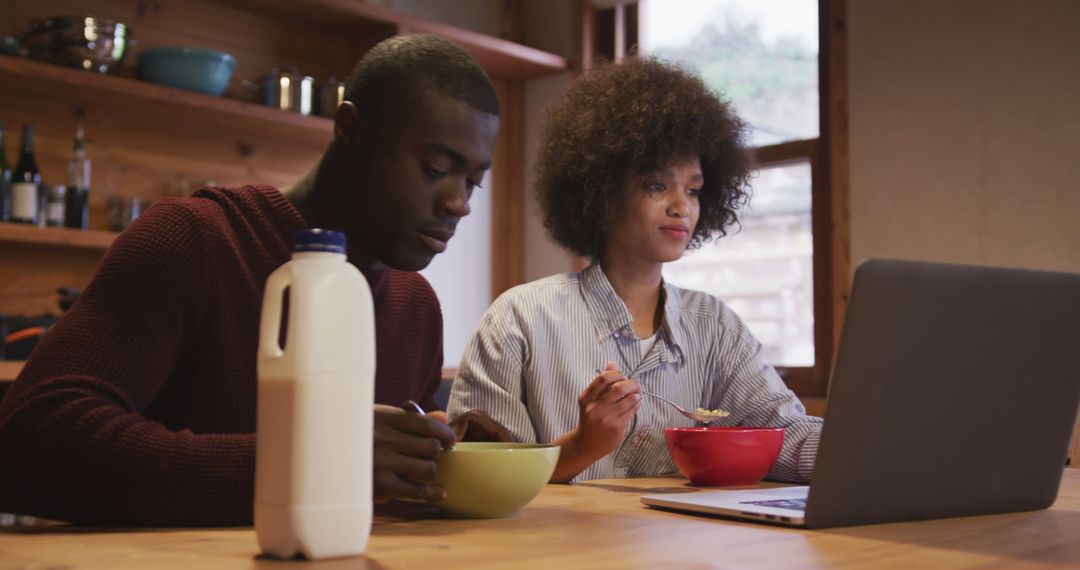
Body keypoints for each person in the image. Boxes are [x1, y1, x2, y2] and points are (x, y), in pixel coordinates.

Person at [0, 34, 507, 526]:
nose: (458, 203)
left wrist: (434, 462)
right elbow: (32, 441)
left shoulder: (413, 305)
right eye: (436, 167)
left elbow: (367, 492)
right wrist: (304, 468)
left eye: (473, 180)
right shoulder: (195, 241)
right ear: (351, 130)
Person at [447, 57, 823, 483]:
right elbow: (481, 477)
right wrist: (582, 447)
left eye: (694, 190)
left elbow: (783, 433)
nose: (682, 206)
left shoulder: (715, 327)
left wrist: (869, 448)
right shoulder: (520, 319)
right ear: (602, 192)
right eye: (657, 185)